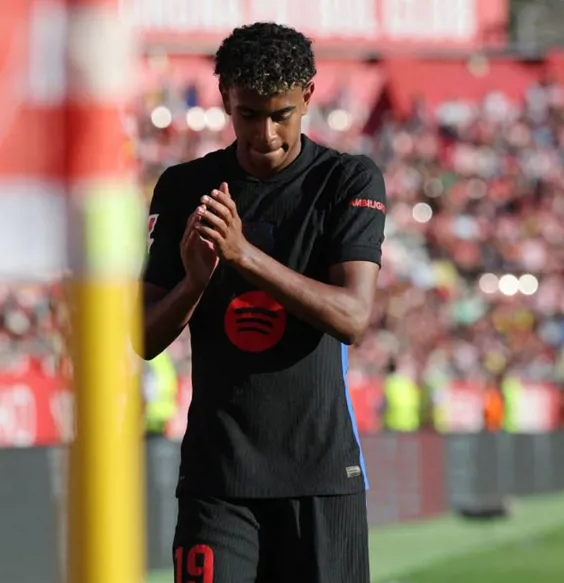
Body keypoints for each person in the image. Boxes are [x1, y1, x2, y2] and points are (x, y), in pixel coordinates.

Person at [138, 23, 387, 583]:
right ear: (225, 98)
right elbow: (145, 337)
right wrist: (195, 283)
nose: (266, 134)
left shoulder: (345, 179)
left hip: (321, 479)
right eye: (249, 114)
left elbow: (352, 317)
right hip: (217, 481)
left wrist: (243, 255)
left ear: (309, 96)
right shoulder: (185, 187)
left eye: (281, 115)